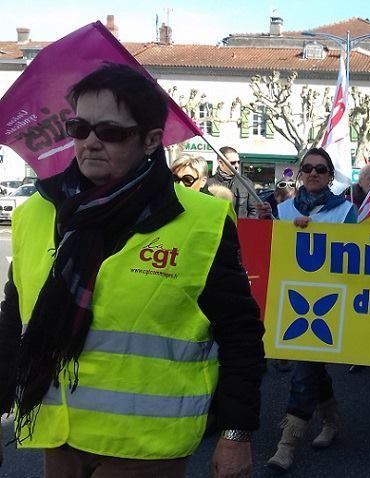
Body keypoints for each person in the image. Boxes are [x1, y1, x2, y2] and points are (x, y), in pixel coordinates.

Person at [0, 64, 265, 478]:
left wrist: (236, 434)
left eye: (110, 131)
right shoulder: (38, 212)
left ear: (151, 140)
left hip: (145, 445)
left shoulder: (202, 219)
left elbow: (240, 332)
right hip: (58, 436)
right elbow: (15, 323)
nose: (90, 142)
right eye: (79, 128)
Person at [268, 147, 357, 473]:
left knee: (305, 371)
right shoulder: (284, 209)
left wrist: (320, 236)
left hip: (328, 304)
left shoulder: (346, 211)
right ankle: (331, 421)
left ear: (330, 175)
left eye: (321, 169)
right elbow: (272, 255)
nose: (314, 173)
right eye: (308, 168)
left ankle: (287, 443)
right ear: (301, 172)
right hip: (290, 301)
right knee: (313, 369)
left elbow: (354, 257)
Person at [207, 146, 261, 218]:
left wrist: (245, 226)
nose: (237, 165)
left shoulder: (246, 183)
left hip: (240, 228)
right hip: (216, 227)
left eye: (238, 162)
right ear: (221, 162)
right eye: (233, 163)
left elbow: (254, 211)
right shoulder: (209, 184)